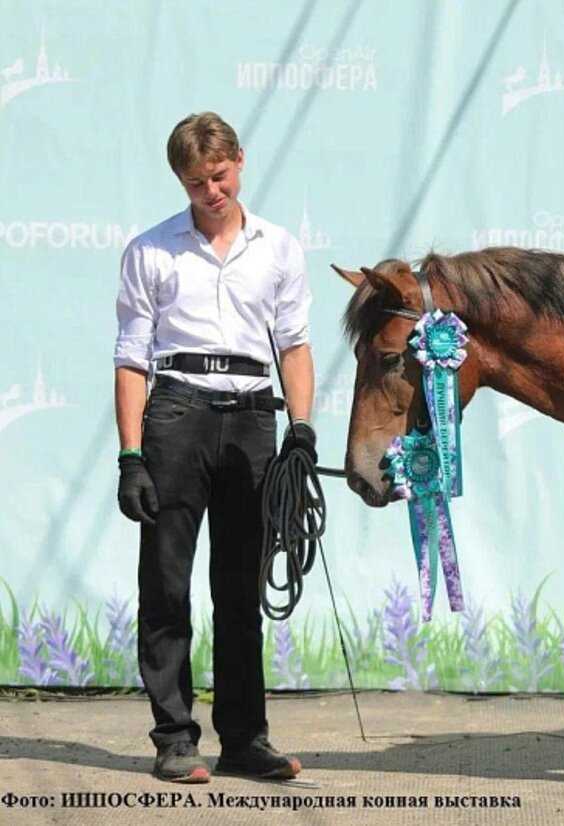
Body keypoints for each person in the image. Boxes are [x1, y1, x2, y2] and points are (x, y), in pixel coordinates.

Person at [113, 112, 317, 783]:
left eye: (220, 175)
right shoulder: (150, 250)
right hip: (177, 411)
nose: (211, 191)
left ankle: (244, 739)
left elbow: (293, 345)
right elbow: (131, 359)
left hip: (255, 414)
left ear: (240, 161)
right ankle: (174, 737)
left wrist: (303, 433)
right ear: (182, 180)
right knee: (166, 583)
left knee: (239, 587)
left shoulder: (280, 248)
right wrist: (132, 455)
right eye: (196, 181)